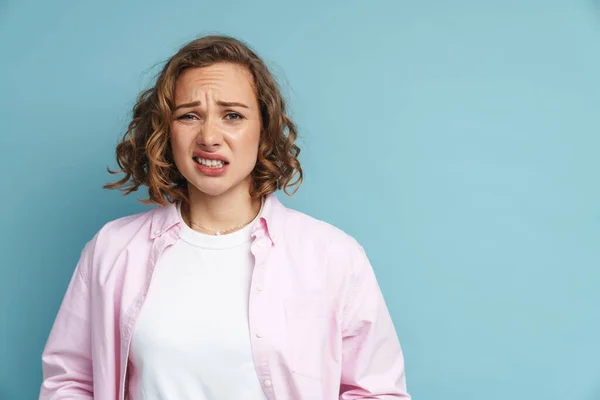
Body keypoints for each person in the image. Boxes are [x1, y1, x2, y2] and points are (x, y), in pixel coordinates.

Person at [39, 35, 410, 400]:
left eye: (232, 115)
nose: (210, 137)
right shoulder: (112, 249)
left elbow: (377, 392)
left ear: (263, 129)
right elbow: (69, 383)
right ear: (166, 131)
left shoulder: (333, 256)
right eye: (189, 116)